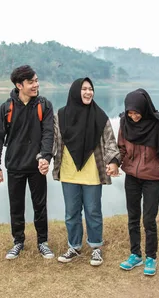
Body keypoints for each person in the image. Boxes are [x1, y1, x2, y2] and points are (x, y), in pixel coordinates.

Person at [40, 77, 119, 266]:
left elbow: (110, 143)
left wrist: (114, 161)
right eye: (84, 89)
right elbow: (52, 141)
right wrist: (45, 158)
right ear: (76, 91)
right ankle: (74, 246)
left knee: (93, 211)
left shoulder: (100, 116)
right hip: (69, 171)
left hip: (92, 172)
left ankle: (96, 248)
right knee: (71, 212)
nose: (88, 92)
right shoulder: (61, 115)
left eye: (90, 88)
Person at [0, 65, 55, 260]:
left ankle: (42, 242)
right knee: (16, 206)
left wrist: (45, 157)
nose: (36, 85)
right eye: (31, 82)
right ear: (19, 85)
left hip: (36, 166)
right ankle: (18, 241)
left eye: (36, 80)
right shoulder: (7, 108)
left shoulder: (44, 105)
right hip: (15, 165)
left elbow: (48, 134)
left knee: (40, 206)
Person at [117, 88, 159, 277]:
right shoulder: (125, 122)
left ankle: (151, 256)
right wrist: (115, 163)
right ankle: (135, 254)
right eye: (130, 112)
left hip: (152, 177)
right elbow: (121, 148)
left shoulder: (158, 123)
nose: (133, 116)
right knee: (133, 217)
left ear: (145, 108)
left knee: (149, 219)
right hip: (131, 175)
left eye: (136, 112)